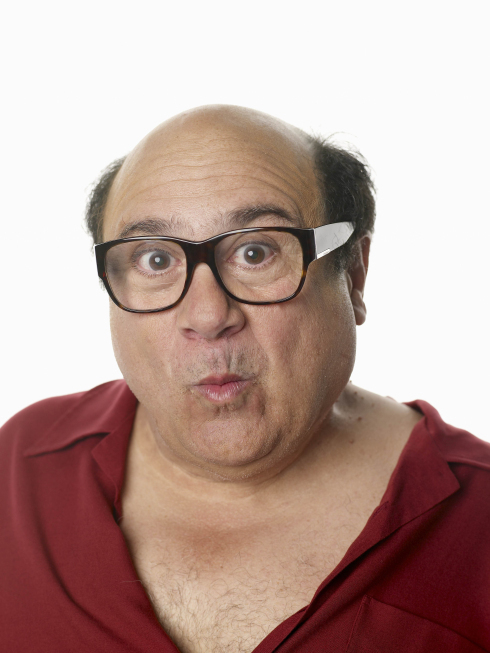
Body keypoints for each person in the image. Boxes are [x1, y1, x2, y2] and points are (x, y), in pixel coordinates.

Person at [1, 105, 489, 653]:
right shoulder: (20, 470)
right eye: (156, 260)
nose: (208, 316)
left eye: (256, 252)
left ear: (353, 274)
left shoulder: (478, 526)